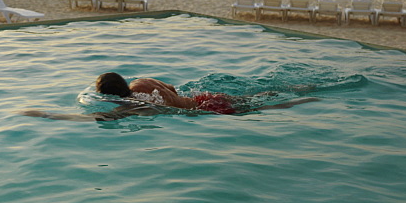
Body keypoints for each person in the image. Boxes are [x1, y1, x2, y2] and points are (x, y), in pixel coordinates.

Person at [21, 72, 318, 122]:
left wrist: (48, 115)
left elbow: (103, 117)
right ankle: (299, 92)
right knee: (253, 98)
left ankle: (299, 101)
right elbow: (174, 91)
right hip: (202, 97)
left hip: (208, 110)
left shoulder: (138, 104)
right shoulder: (143, 82)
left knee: (258, 111)